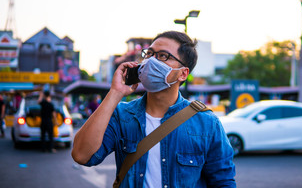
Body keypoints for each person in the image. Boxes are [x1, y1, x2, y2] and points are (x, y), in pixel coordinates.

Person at [72, 31, 236, 187]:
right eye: (149, 54)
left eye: (163, 56)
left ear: (183, 74)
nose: (151, 61)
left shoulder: (206, 123)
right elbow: (82, 155)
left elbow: (223, 181)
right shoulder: (122, 115)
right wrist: (115, 93)